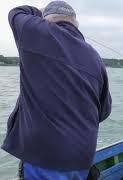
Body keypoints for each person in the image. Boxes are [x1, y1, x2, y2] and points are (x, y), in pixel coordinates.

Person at [1, 1, 112, 179]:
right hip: (82, 158)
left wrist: (39, 11)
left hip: (45, 158)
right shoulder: (95, 57)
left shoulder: (38, 33)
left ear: (47, 21)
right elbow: (104, 111)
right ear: (75, 23)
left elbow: (16, 12)